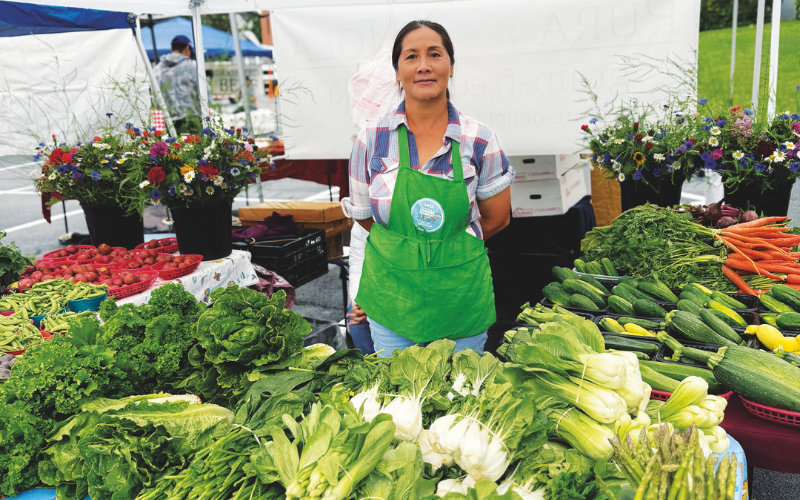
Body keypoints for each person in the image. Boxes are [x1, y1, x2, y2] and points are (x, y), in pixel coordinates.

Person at [343, 20, 515, 357]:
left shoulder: (479, 139)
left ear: (451, 66)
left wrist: (451, 251)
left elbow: (497, 219)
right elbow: (365, 218)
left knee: (461, 395)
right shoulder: (371, 138)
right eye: (411, 57)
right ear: (397, 71)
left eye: (434, 54)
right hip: (394, 297)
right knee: (400, 396)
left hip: (460, 296)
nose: (424, 65)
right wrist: (405, 251)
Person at [153, 35, 201, 133]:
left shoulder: (157, 69)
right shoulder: (191, 67)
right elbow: (205, 94)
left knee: (176, 147)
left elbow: (155, 99)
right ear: (187, 48)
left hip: (170, 121)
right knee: (196, 147)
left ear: (172, 49)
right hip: (192, 119)